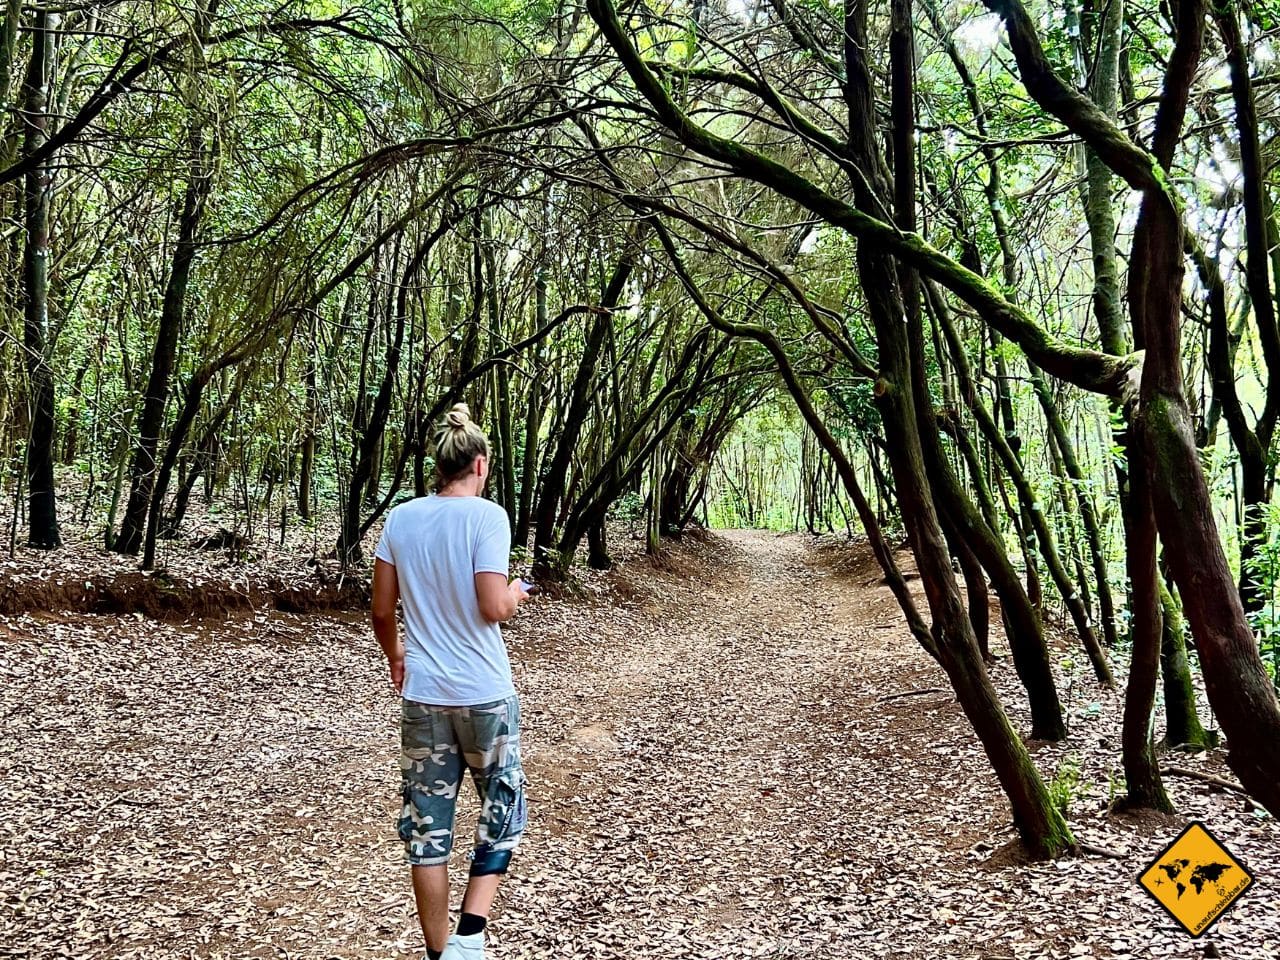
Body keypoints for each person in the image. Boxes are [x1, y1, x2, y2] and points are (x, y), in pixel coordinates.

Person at [371, 403, 531, 960]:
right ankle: (470, 934)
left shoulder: (401, 519)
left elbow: (381, 609)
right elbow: (493, 607)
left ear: (440, 464)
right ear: (480, 465)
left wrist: (395, 656)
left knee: (426, 830)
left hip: (424, 696)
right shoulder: (488, 518)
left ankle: (441, 954)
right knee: (504, 807)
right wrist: (516, 592)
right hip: (484, 694)